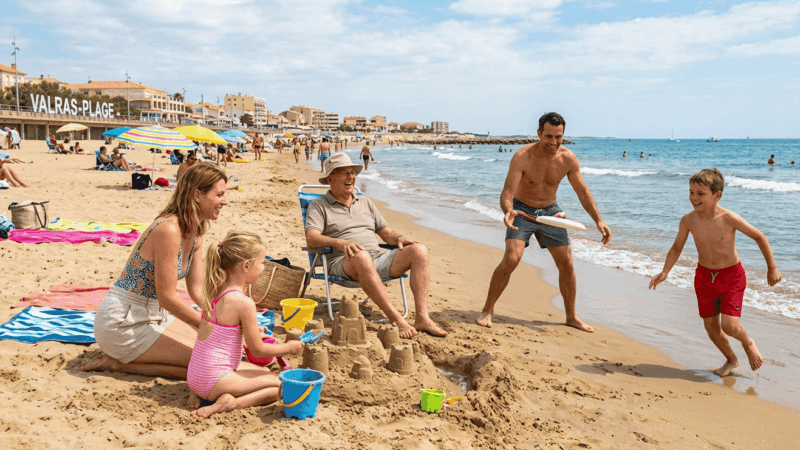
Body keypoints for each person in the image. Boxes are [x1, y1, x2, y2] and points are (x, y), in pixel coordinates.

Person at [82, 164, 229, 410]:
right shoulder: (168, 229)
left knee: (211, 353)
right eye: (220, 194)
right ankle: (118, 364)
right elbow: (167, 298)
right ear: (196, 195)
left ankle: (119, 363)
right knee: (204, 361)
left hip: (153, 316)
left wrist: (222, 321)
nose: (225, 201)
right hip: (122, 322)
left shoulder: (197, 232)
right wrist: (203, 326)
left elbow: (196, 290)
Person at [477, 112, 611, 333]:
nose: (554, 142)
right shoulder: (522, 156)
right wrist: (508, 211)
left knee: (566, 263)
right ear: (539, 133)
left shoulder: (567, 158)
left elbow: (583, 191)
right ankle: (487, 310)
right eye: (548, 136)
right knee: (512, 258)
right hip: (522, 210)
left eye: (558, 137)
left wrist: (599, 221)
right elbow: (507, 192)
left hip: (550, 212)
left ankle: (571, 317)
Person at [649, 169, 780, 376]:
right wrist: (665, 272)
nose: (694, 198)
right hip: (704, 277)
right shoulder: (688, 220)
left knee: (729, 325)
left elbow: (759, 237)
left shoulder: (728, 218)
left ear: (717, 195)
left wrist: (772, 268)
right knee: (711, 328)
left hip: (731, 277)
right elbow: (676, 247)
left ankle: (747, 342)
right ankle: (731, 359)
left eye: (700, 193)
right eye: (691, 192)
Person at [304, 153, 446, 338]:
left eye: (353, 172)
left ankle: (422, 317)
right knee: (362, 257)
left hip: (376, 259)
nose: (351, 177)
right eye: (345, 173)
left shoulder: (365, 202)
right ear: (330, 178)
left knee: (419, 250)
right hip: (343, 262)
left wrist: (399, 238)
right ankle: (396, 319)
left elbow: (385, 232)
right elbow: (312, 238)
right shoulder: (319, 205)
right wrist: (339, 242)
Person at [187, 230, 303, 420]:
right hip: (215, 380)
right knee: (278, 384)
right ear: (246, 266)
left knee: (263, 372)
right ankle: (230, 403)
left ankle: (198, 393)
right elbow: (257, 350)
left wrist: (251, 330)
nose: (264, 268)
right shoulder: (244, 302)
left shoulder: (214, 289)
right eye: (262, 263)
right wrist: (289, 348)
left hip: (194, 377)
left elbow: (222, 330)